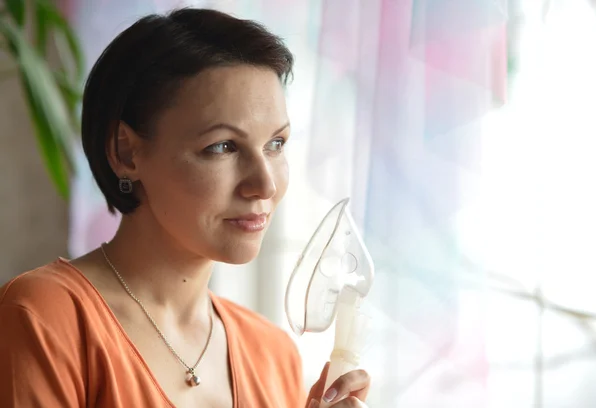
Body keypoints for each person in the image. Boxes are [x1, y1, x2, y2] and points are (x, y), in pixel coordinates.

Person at [0, 7, 371, 408]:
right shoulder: (46, 317)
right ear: (126, 151)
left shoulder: (273, 354)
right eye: (223, 147)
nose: (264, 184)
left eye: (275, 144)